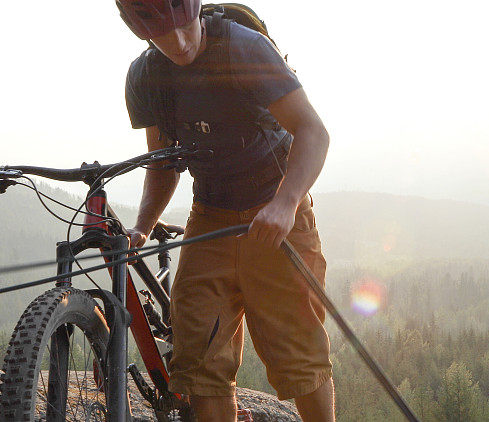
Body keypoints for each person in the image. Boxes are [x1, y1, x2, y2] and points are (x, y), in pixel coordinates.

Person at [115, 1, 334, 420]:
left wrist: (286, 204)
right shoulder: (146, 77)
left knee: (297, 353)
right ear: (140, 32)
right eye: (163, 36)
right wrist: (142, 227)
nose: (178, 43)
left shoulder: (244, 49)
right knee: (200, 362)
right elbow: (163, 165)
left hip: (273, 209)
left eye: (184, 27)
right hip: (210, 216)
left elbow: (313, 131)